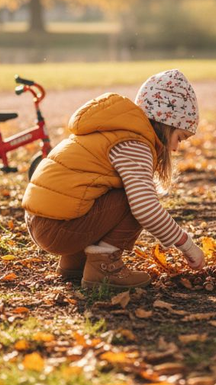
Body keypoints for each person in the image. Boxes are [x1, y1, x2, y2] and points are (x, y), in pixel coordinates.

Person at [24, 69, 206, 290]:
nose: (176, 148)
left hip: (40, 222)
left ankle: (76, 261)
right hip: (58, 229)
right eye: (179, 137)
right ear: (166, 123)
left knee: (109, 191)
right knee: (136, 198)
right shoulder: (135, 143)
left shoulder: (111, 131)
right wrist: (186, 244)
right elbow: (145, 207)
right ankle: (104, 268)